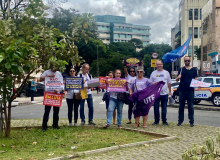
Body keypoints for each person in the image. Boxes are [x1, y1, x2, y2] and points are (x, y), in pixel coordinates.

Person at [176, 56, 198, 127]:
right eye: (186, 61)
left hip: (190, 91)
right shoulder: (181, 69)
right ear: (184, 61)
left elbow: (196, 79)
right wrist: (178, 77)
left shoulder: (194, 70)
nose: (187, 62)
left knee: (190, 107)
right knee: (181, 107)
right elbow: (176, 79)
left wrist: (197, 83)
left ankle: (191, 121)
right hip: (182, 90)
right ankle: (180, 121)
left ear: (190, 61)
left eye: (188, 61)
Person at [40, 66, 63, 131]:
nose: (56, 69)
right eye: (55, 67)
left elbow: (61, 84)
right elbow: (40, 79)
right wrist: (49, 76)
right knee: (47, 111)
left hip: (56, 95)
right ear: (51, 67)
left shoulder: (59, 73)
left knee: (56, 111)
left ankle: (55, 125)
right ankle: (44, 126)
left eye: (57, 68)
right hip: (49, 94)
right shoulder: (46, 72)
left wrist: (58, 89)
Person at [150, 60, 171, 125]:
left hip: (164, 94)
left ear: (162, 65)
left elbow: (169, 82)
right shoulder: (153, 73)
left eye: (160, 64)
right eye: (158, 64)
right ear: (156, 65)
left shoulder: (166, 72)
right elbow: (150, 83)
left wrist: (169, 91)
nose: (159, 66)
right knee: (156, 107)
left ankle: (164, 120)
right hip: (156, 94)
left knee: (164, 108)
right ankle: (156, 120)